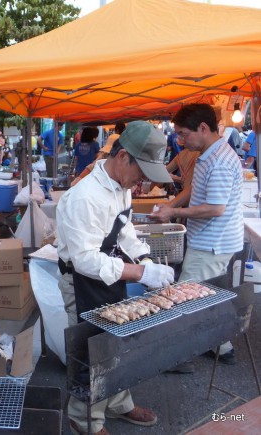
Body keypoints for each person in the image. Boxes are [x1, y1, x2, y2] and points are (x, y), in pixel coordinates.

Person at [57, 121, 175, 435]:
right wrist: (140, 272)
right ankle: (85, 420)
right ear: (123, 158)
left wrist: (145, 258)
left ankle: (119, 403)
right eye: (142, 173)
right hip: (81, 281)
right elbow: (84, 261)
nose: (142, 183)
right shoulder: (85, 197)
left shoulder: (120, 187)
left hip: (109, 275)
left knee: (116, 343)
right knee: (90, 353)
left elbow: (125, 231)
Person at [152, 103, 243, 370]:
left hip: (212, 244)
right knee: (204, 295)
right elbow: (194, 188)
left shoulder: (220, 161)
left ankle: (180, 356)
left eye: (183, 134)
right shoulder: (207, 154)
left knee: (184, 297)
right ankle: (220, 346)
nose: (180, 140)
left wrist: (173, 213)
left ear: (203, 128)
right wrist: (172, 207)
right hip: (209, 241)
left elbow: (215, 208)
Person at [163, 143, 199, 208]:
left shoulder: (180, 155)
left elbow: (164, 172)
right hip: (197, 199)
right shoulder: (200, 154)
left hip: (187, 198)